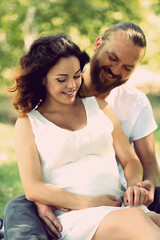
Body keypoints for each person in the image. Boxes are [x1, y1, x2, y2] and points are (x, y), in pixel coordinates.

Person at [4, 22, 160, 239]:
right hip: (78, 216)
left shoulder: (101, 106)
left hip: (121, 205)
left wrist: (135, 186)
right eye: (62, 79)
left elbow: (132, 160)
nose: (72, 85)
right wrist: (90, 202)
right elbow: (33, 188)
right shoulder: (29, 122)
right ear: (43, 78)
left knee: (146, 220)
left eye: (76, 76)